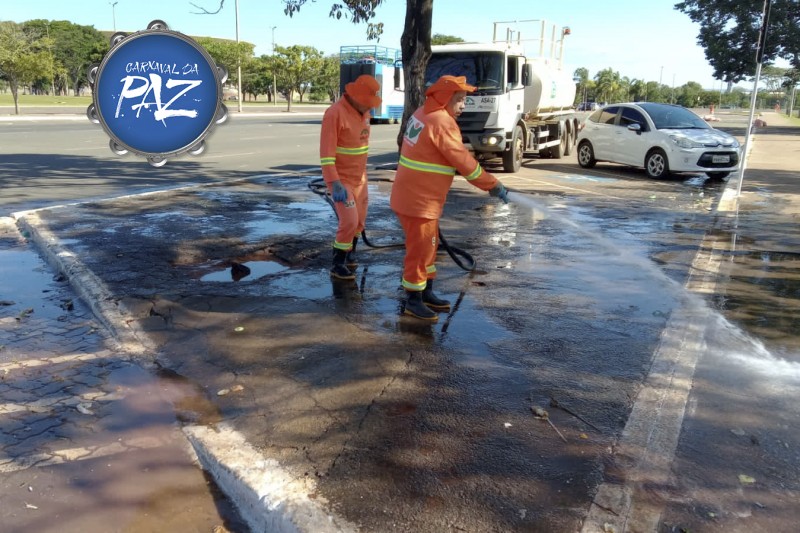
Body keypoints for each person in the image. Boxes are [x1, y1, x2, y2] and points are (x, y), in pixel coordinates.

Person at [390, 75, 509, 322]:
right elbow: (464, 163)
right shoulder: (441, 122)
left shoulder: (423, 113)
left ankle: (426, 293)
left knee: (428, 247)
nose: (464, 105)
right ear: (445, 98)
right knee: (419, 252)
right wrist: (492, 184)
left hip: (418, 199)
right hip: (419, 202)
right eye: (460, 99)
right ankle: (413, 299)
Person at [320, 74, 381, 280]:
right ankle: (337, 263)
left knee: (360, 221)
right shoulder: (334, 114)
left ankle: (350, 253)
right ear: (354, 97)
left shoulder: (364, 113)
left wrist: (363, 177)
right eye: (367, 103)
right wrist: (334, 182)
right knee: (349, 221)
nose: (369, 108)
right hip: (341, 180)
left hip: (359, 178)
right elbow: (326, 154)